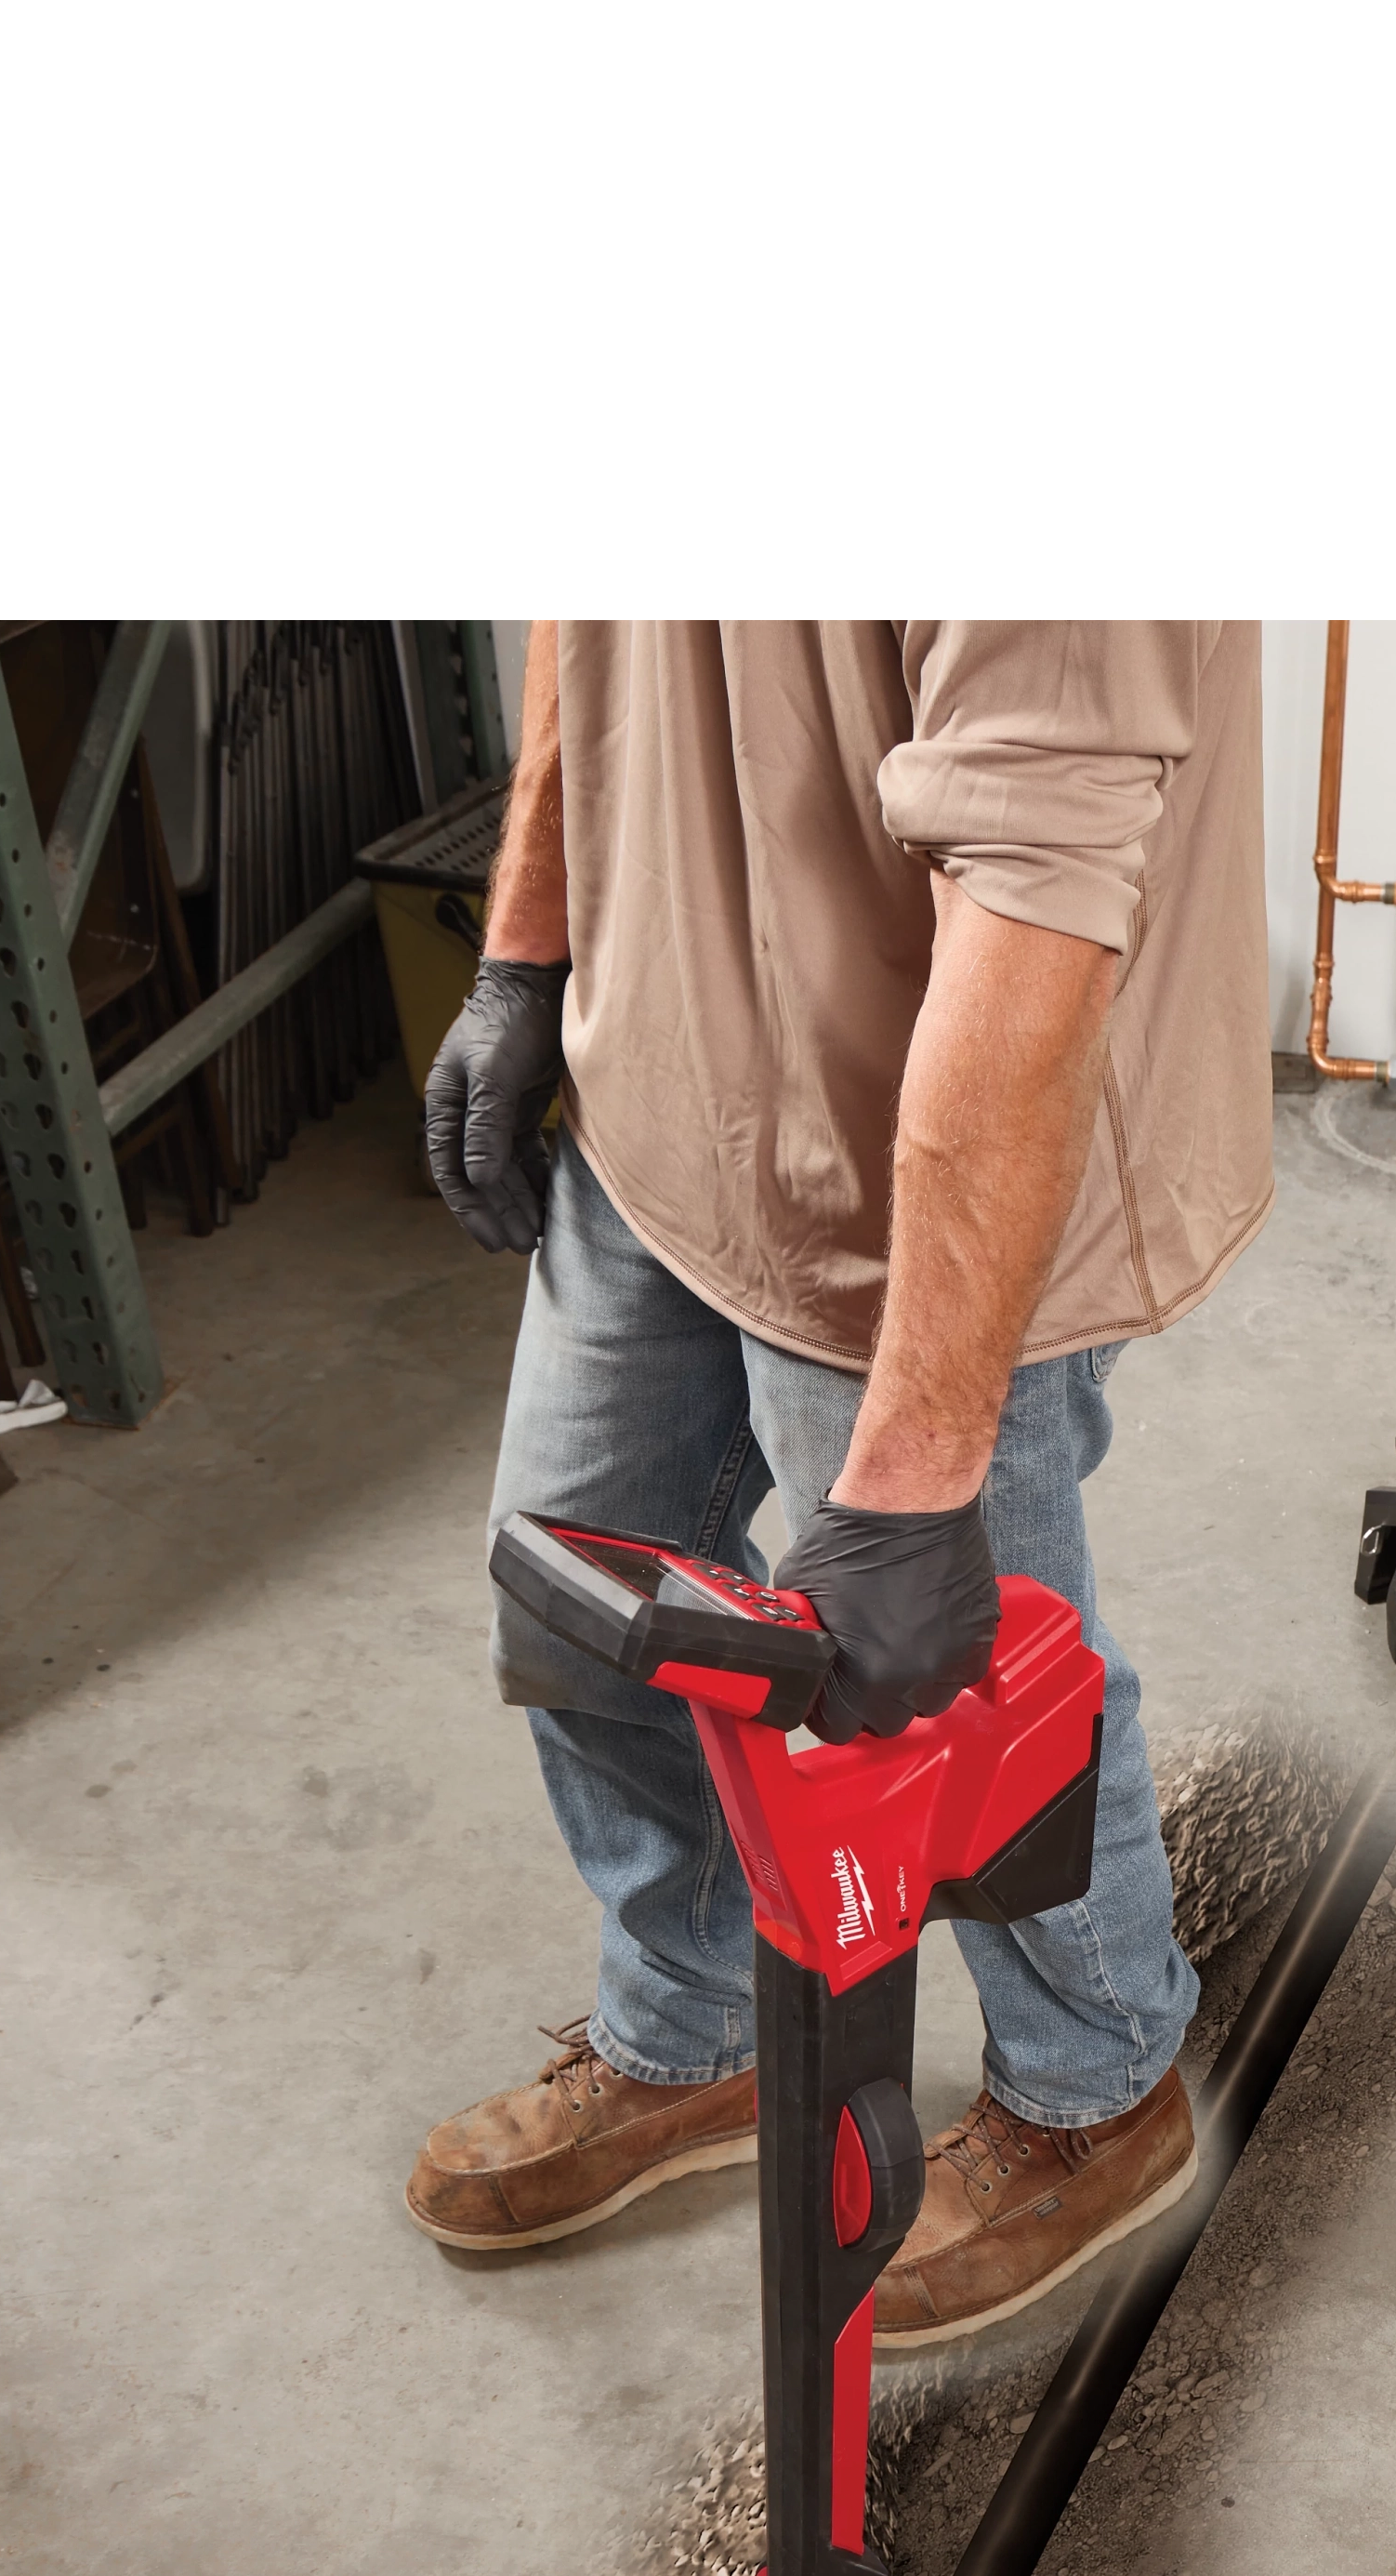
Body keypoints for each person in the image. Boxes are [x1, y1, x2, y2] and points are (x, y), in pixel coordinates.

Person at [399, 622, 1269, 2345]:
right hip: (661, 1079)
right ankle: (698, 2023)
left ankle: (1095, 2089)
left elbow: (1038, 883)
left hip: (931, 1160)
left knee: (973, 1718)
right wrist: (527, 950)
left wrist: (920, 1476)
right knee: (584, 1615)